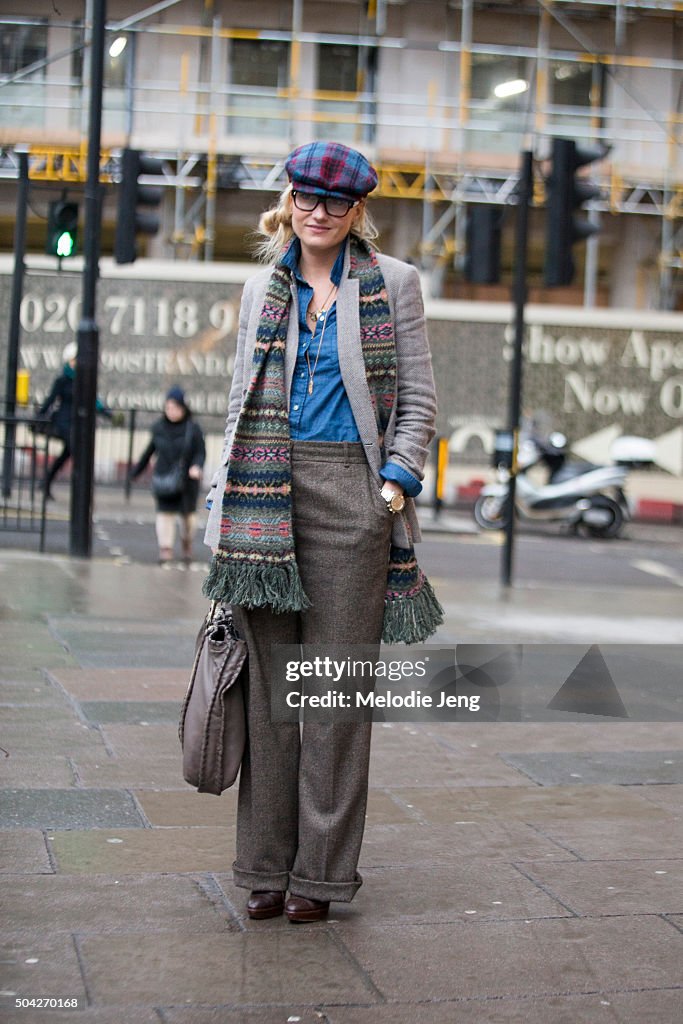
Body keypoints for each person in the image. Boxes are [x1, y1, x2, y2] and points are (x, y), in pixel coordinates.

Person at [203, 141, 441, 923]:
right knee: (270, 698)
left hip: (353, 495)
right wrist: (222, 503)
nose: (316, 212)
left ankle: (322, 878)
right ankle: (266, 868)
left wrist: (393, 484)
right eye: (305, 198)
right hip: (261, 499)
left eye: (333, 203)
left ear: (355, 211)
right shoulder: (259, 287)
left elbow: (418, 402)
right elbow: (241, 399)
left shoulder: (395, 283)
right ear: (291, 200)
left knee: (332, 697)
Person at [129, 387, 206, 565]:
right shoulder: (159, 428)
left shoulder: (193, 429)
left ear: (183, 408)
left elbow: (201, 452)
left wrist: (196, 466)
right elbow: (149, 452)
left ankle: (186, 543)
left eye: (175, 408)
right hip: (164, 478)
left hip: (186, 481)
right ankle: (166, 549)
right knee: (164, 515)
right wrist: (135, 472)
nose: (171, 411)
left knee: (188, 518)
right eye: (168, 407)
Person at [37, 342, 115, 499]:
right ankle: (79, 491)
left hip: (77, 424)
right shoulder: (63, 380)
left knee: (67, 454)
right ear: (70, 361)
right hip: (64, 423)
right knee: (78, 454)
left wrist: (109, 414)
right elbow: (51, 399)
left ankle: (46, 482)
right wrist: (39, 415)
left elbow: (93, 402)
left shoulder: (84, 380)